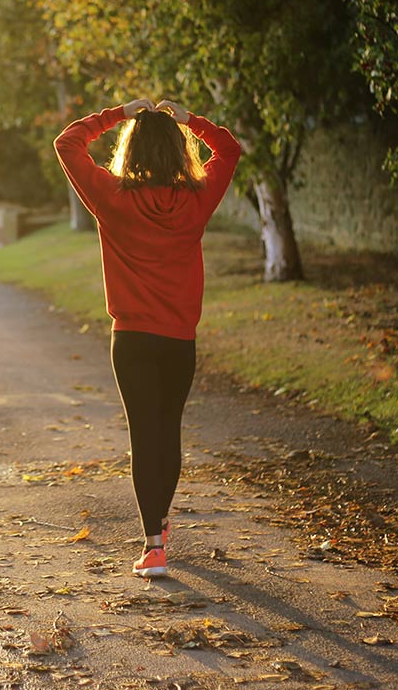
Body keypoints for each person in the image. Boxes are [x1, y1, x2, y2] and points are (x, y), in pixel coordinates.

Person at [53, 97, 242, 577]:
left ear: (130, 151)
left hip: (132, 339)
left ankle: (153, 544)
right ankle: (158, 523)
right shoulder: (197, 199)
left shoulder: (112, 197)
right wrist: (190, 121)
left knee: (144, 435)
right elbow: (230, 149)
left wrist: (118, 113)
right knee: (168, 431)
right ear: (179, 153)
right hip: (179, 339)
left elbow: (67, 143)